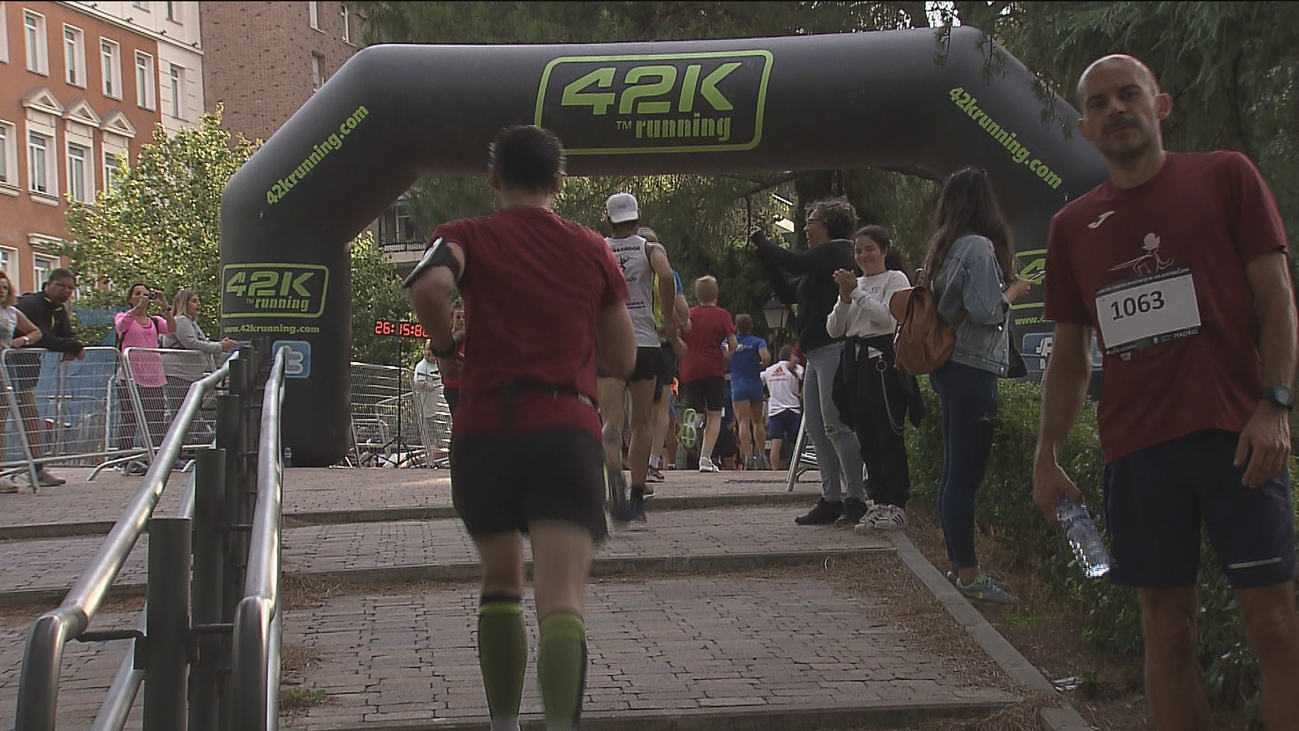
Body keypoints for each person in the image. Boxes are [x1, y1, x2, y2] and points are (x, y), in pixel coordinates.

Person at [1032, 54, 1299, 731]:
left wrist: (1274, 404)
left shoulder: (1225, 177)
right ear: (1084, 127)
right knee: (1167, 633)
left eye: (1129, 94)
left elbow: (1276, 300)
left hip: (1239, 438)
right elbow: (1070, 355)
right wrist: (1046, 454)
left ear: (1160, 105)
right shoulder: (1072, 227)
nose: (1115, 109)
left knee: (1275, 626)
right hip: (1140, 452)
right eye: (1098, 103)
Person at [403, 124, 635, 731]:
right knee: (561, 599)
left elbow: (429, 285)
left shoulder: (465, 236)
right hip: (563, 428)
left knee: (500, 580)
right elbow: (624, 355)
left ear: (493, 177)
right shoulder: (592, 248)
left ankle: (503, 723)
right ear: (559, 181)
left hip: (484, 429)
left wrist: (446, 348)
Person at [918, 168, 1032, 604]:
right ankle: (969, 574)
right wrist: (1014, 290)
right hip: (974, 365)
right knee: (966, 475)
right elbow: (985, 310)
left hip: (949, 366)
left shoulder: (945, 247)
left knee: (953, 472)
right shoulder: (979, 247)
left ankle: (956, 564)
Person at [750, 198, 868, 526]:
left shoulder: (836, 252)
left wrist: (763, 241)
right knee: (817, 427)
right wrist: (764, 257)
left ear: (828, 224)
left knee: (837, 426)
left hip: (833, 349)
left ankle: (856, 497)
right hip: (816, 353)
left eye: (811, 221)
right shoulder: (818, 264)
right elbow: (788, 293)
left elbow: (794, 262)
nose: (805, 228)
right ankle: (831, 498)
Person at [826, 225, 916, 531]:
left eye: (870, 250)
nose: (864, 256)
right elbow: (834, 329)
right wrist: (844, 298)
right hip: (855, 364)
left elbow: (887, 319)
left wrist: (857, 293)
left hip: (881, 363)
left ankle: (897, 502)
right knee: (866, 436)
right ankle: (878, 500)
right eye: (858, 251)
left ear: (884, 250)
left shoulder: (895, 279)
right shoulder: (855, 284)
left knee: (887, 433)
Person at [597, 198, 678, 522]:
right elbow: (667, 276)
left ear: (608, 220)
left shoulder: (598, 249)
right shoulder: (649, 248)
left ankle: (614, 479)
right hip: (644, 341)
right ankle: (637, 496)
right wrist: (668, 320)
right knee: (642, 422)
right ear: (637, 218)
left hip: (609, 342)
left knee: (610, 421)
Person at [14, 268, 85, 487]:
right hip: (10, 365)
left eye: (70, 288)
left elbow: (67, 335)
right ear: (47, 285)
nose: (66, 291)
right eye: (61, 286)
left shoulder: (59, 310)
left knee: (31, 416)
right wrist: (71, 346)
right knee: (5, 416)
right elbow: (42, 337)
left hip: (27, 369)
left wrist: (73, 344)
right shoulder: (31, 305)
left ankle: (37, 469)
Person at [114, 283, 176, 474]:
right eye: (137, 294)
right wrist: (136, 309)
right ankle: (123, 459)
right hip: (130, 376)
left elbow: (172, 328)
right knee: (130, 417)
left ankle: (155, 457)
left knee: (155, 418)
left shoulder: (155, 321)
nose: (142, 297)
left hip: (154, 376)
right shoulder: (123, 317)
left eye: (145, 294)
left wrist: (165, 306)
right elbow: (121, 326)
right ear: (130, 298)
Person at [679, 275, 737, 473]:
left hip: (690, 367)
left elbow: (679, 337)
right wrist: (727, 355)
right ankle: (705, 459)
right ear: (716, 293)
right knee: (714, 414)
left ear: (697, 295)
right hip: (713, 368)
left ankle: (692, 423)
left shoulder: (689, 315)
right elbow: (733, 343)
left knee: (697, 410)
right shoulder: (722, 315)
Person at [162, 289, 236, 428]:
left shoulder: (192, 323)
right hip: (178, 374)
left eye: (198, 301)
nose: (198, 304)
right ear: (184, 303)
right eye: (194, 301)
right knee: (184, 416)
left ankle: (188, 442)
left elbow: (203, 342)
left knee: (192, 416)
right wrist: (219, 347)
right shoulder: (181, 320)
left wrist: (219, 344)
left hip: (189, 375)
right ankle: (178, 442)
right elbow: (191, 343)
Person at [0, 270, 42, 493]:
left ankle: (0, 472)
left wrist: (22, 340)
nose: (2, 291)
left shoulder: (12, 313)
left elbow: (36, 332)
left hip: (4, 370)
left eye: (5, 288)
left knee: (1, 421)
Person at [729, 314, 770, 470]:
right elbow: (765, 357)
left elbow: (724, 355)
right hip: (754, 384)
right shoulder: (758, 341)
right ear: (751, 327)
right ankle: (761, 455)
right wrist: (762, 363)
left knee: (743, 423)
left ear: (735, 327)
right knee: (757, 422)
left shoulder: (729, 341)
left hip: (738, 385)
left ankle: (747, 456)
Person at [761, 346, 803, 471]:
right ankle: (797, 467)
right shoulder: (796, 368)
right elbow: (805, 378)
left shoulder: (769, 370)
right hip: (792, 409)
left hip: (775, 411)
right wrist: (801, 394)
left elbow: (759, 381)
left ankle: (775, 471)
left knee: (776, 442)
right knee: (796, 443)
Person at [437, 304, 466, 417]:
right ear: (452, 319)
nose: (461, 320)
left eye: (463, 317)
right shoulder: (447, 339)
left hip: (467, 387)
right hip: (452, 388)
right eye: (458, 317)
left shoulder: (471, 338)